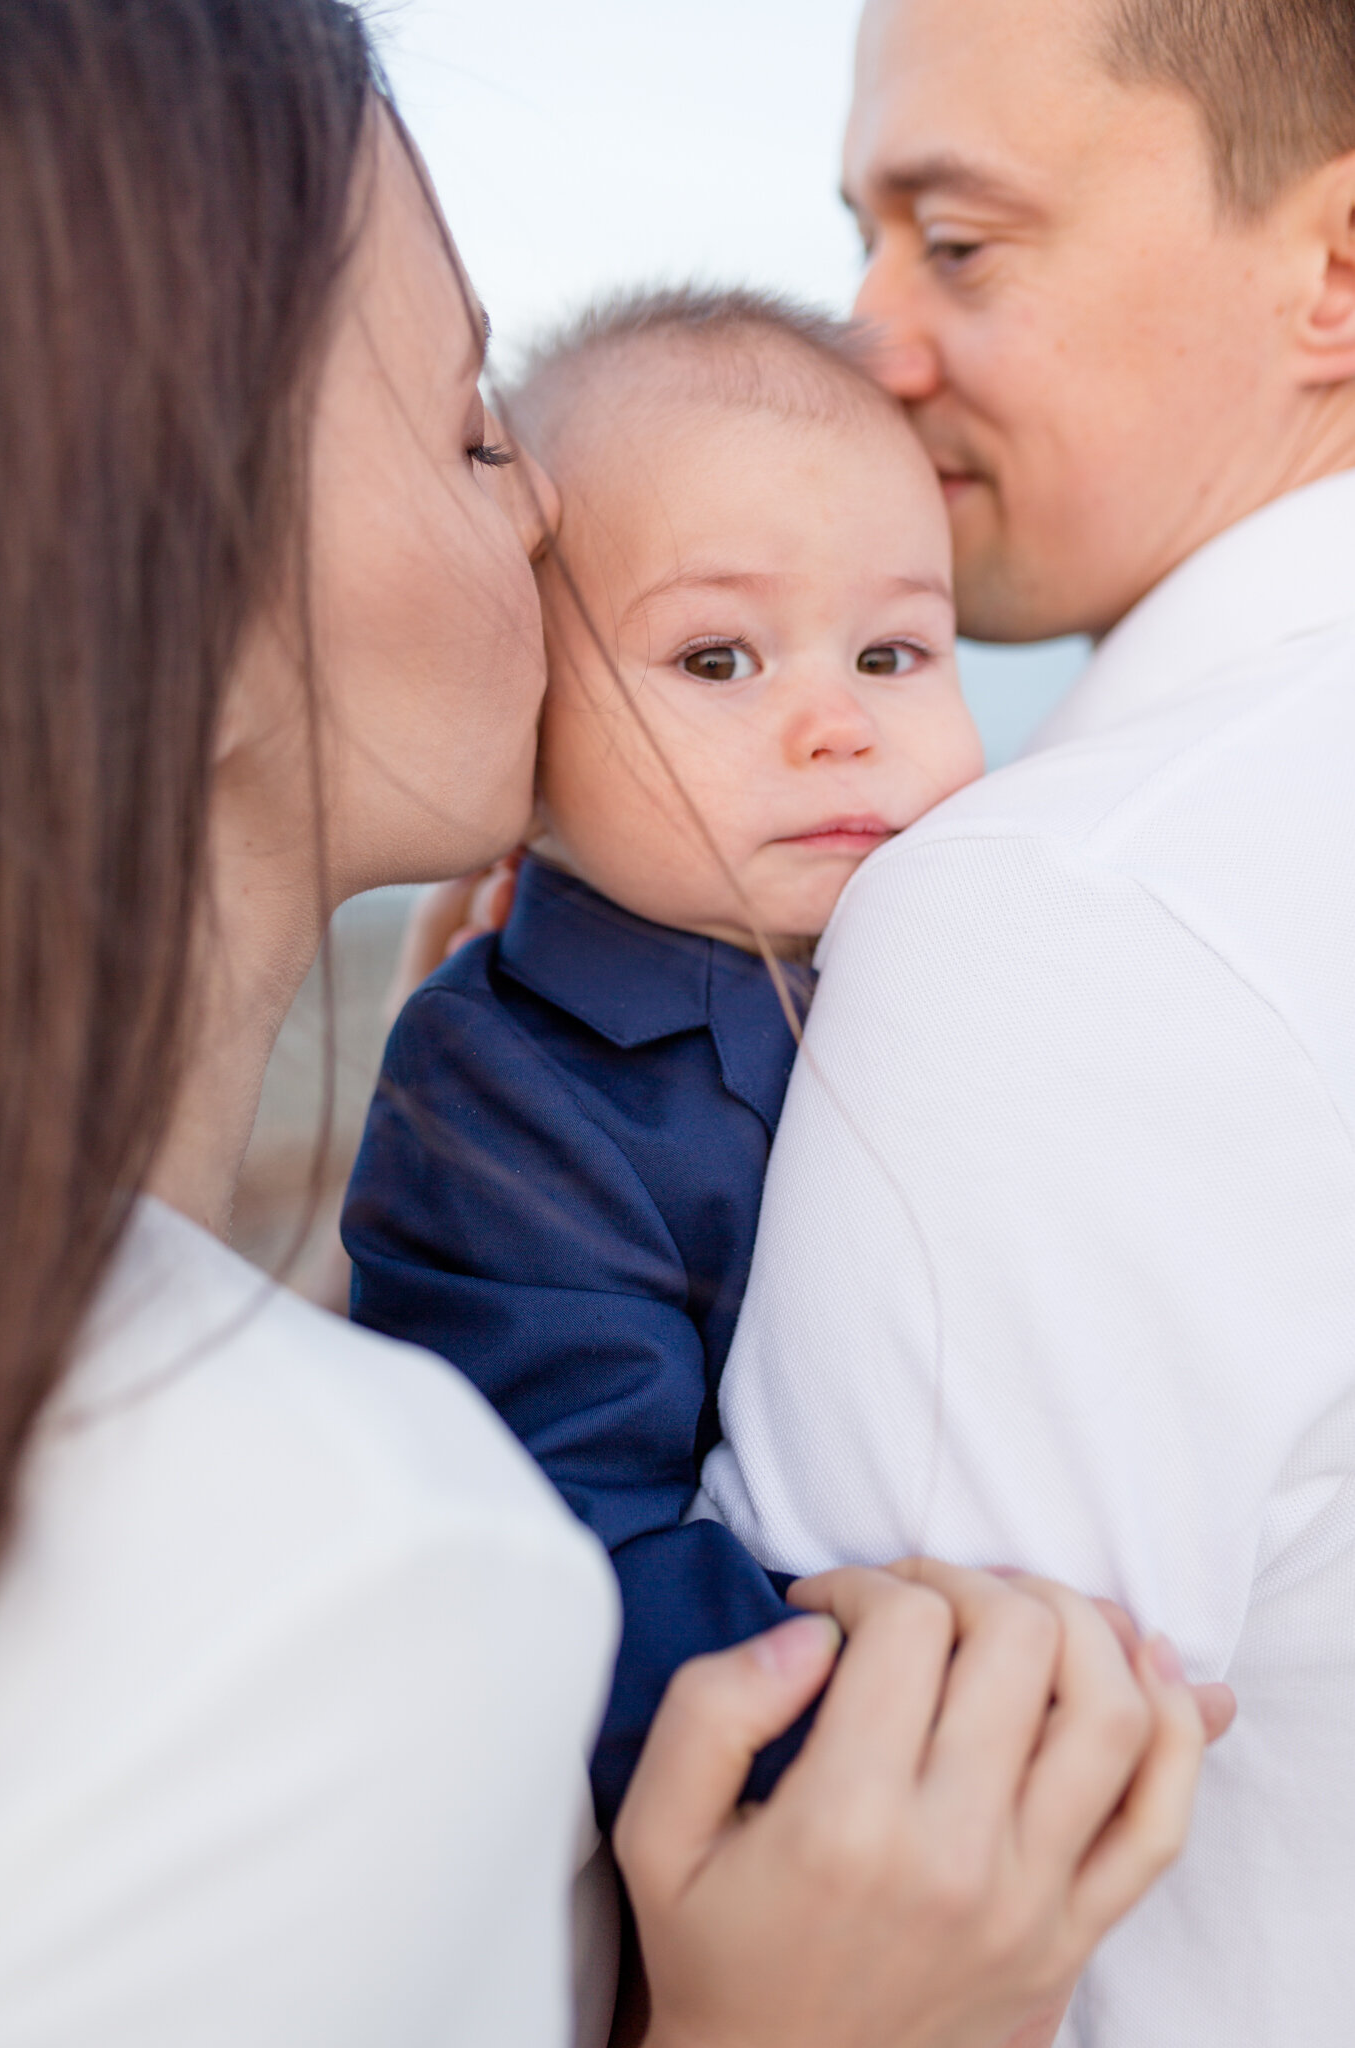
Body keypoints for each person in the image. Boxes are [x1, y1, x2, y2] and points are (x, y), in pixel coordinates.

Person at [0, 4, 1220, 2047]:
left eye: (889, 645)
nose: (551, 518)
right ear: (172, 593)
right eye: (477, 427)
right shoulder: (362, 1583)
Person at [701, 0, 1355, 2042]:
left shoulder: (1058, 915)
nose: (866, 338)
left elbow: (806, 1882)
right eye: (863, 238)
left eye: (956, 241)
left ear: (1331, 272)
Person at [342, 287, 984, 1828]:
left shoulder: (958, 952)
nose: (836, 722)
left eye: (895, 653)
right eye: (716, 660)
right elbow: (566, 1537)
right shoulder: (507, 1075)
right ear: (526, 700)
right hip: (723, 1826)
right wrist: (866, 1753)